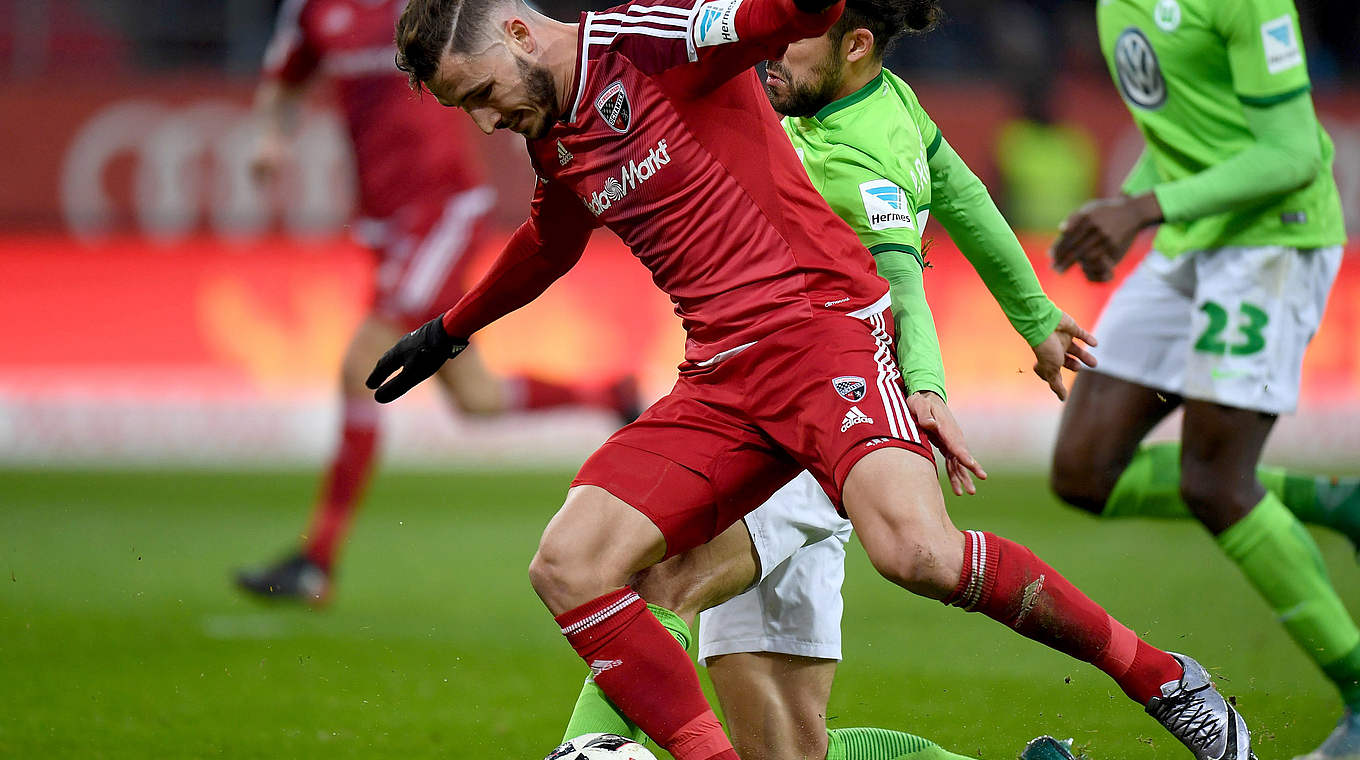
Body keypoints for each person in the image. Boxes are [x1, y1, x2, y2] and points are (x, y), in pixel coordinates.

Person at [373, 0, 1255, 758]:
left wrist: (936, 376)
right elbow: (550, 241)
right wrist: (448, 333)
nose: (486, 122)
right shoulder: (556, 135)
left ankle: (1167, 681)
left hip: (821, 334)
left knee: (917, 554)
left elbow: (785, 17)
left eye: (482, 95)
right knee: (568, 566)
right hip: (720, 375)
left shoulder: (651, 39)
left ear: (521, 34)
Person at [556, 2, 1104, 759]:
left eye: (792, 39)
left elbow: (901, 281)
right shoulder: (887, 103)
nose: (770, 52)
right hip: (777, 404)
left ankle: (585, 745)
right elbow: (968, 197)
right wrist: (1037, 316)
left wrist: (927, 386)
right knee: (787, 752)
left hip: (815, 418)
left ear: (854, 44)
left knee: (664, 576)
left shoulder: (859, 152)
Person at [234, 0, 638, 605]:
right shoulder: (312, 11)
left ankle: (316, 559)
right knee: (475, 399)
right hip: (382, 217)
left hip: (439, 209)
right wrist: (270, 137)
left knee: (360, 367)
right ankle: (611, 395)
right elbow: (283, 82)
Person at [1048, 2, 1354, 759]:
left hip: (1273, 241)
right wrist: (1127, 210)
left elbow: (1292, 156)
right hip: (1193, 242)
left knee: (1214, 482)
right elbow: (1184, 132)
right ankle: (1328, 501)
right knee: (1084, 472)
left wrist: (1144, 208)